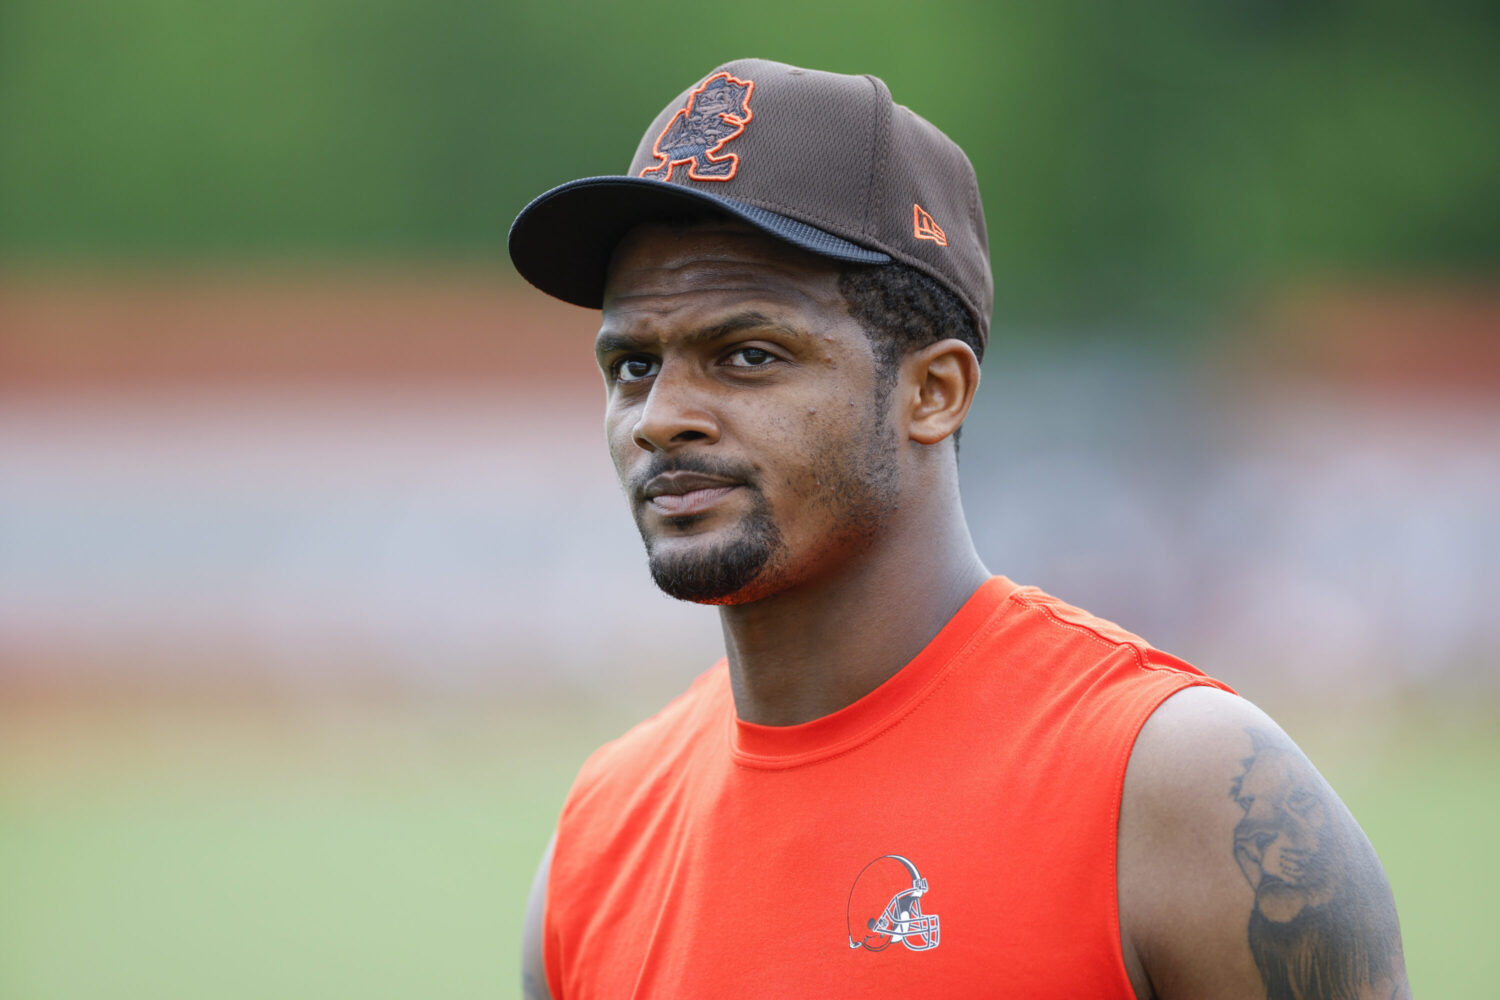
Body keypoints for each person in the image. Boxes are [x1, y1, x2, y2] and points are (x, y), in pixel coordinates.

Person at [507, 58, 1410, 999]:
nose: (661, 417)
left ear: (933, 392)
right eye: (633, 366)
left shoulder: (1176, 789)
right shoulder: (598, 836)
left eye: (747, 355)